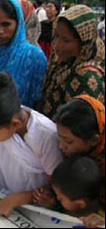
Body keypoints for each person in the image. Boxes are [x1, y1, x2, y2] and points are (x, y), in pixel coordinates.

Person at [0, 72, 63, 217]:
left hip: (34, 210)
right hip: (4, 196)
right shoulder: (2, 122)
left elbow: (55, 186)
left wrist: (17, 199)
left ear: (15, 124)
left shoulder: (47, 136)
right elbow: (1, 164)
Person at [34, 95, 105, 226]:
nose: (61, 146)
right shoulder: (78, 155)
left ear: (94, 140)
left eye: (68, 142)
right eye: (60, 138)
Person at [0, 0, 47, 109]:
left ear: (18, 23)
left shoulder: (34, 56)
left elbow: (39, 102)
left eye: (6, 24)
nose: (0, 31)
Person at [42, 5, 105, 119]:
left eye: (66, 40)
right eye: (56, 36)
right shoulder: (62, 61)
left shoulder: (87, 77)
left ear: (84, 41)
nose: (57, 45)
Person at [51, 156, 104, 228]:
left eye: (60, 198)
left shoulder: (100, 223)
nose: (57, 198)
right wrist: (51, 205)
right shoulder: (74, 207)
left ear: (80, 203)